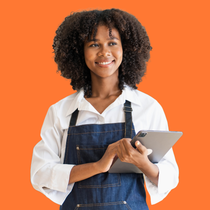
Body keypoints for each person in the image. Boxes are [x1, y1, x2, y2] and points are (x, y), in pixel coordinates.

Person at [30, 9, 179, 210]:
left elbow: (170, 175)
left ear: (126, 48)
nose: (104, 52)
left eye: (112, 43)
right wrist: (99, 166)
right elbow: (40, 174)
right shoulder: (60, 112)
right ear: (79, 51)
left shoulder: (147, 107)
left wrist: (143, 164)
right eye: (94, 44)